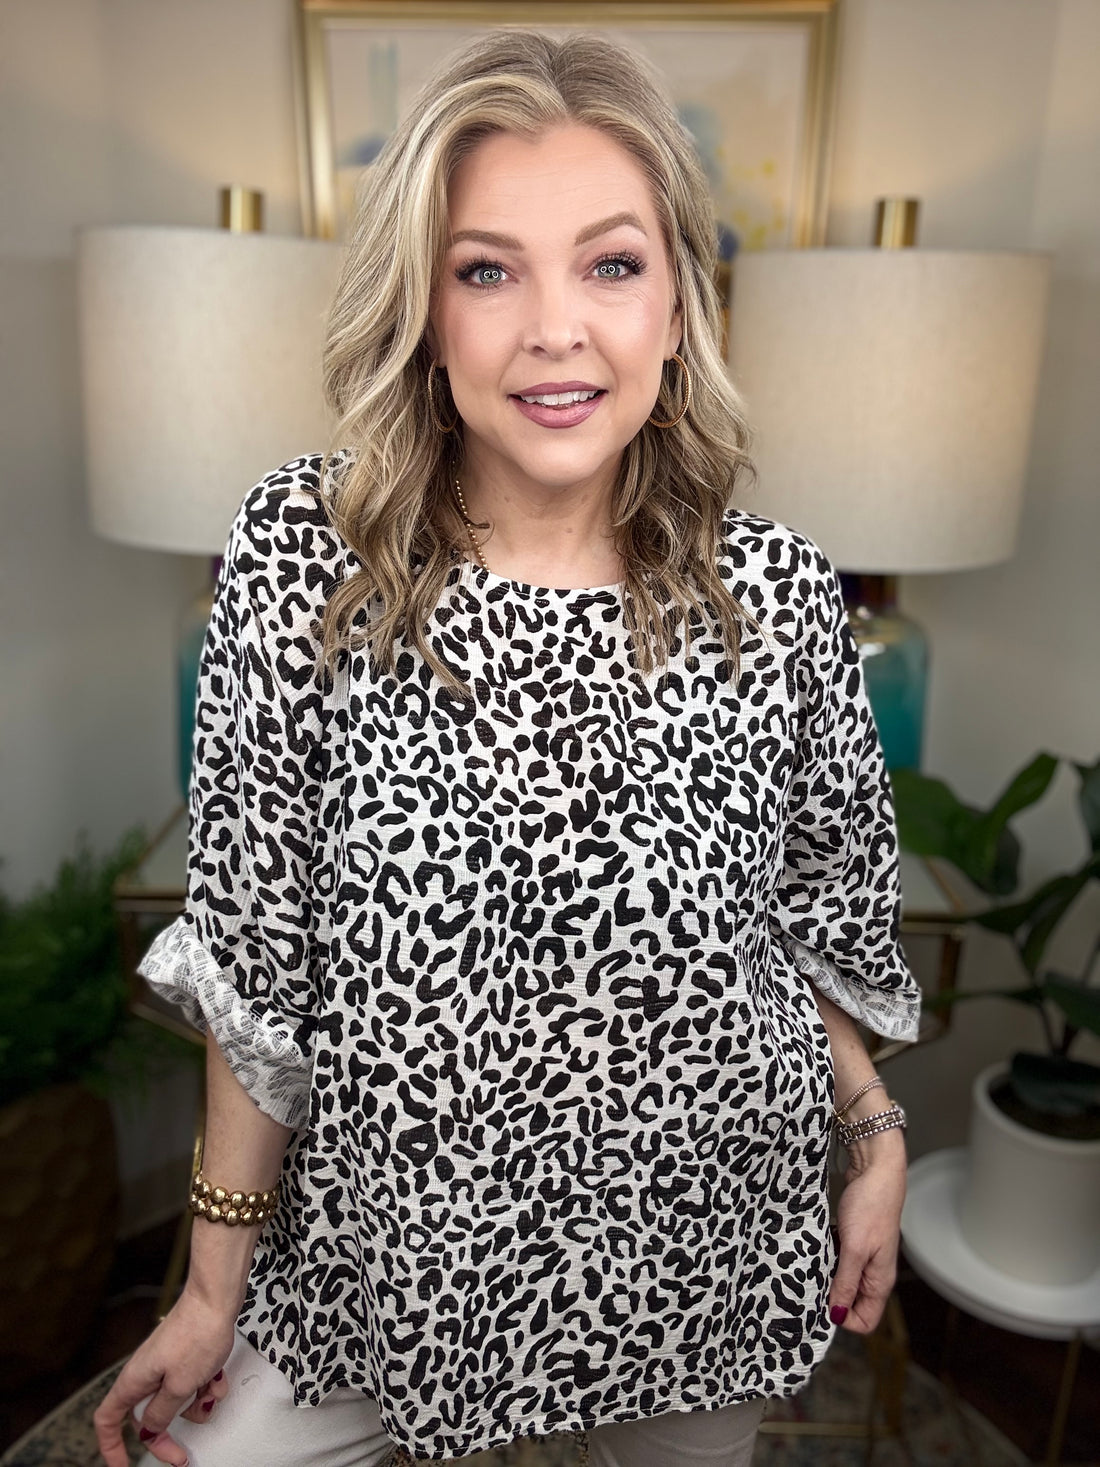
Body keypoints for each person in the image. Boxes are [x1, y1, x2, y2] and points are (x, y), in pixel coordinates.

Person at [94, 26, 921, 1467]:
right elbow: (257, 965)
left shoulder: (779, 592)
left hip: (701, 1255)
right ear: (424, 306)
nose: (558, 330)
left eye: (611, 264)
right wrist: (211, 1285)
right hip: (373, 1273)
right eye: (488, 270)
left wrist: (875, 1136)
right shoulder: (308, 558)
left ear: (676, 300)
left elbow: (808, 924)